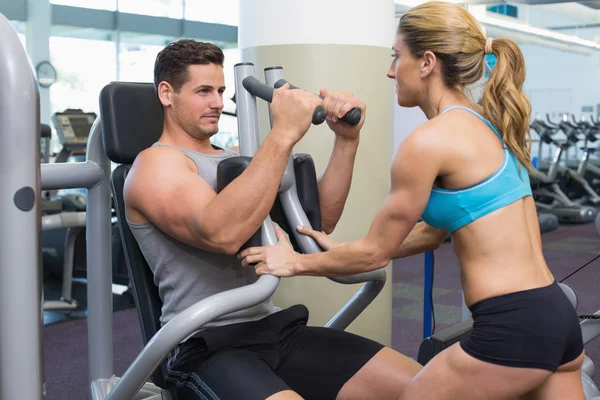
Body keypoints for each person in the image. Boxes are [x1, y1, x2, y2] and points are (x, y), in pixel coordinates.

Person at [239, 2, 586, 399]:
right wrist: (348, 248)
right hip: (554, 314)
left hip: (513, 327)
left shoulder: (428, 142)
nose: (390, 71)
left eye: (395, 57)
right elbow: (431, 234)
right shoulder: (487, 126)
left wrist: (295, 262)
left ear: (426, 63)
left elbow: (374, 256)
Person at [123, 39, 421, 400]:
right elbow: (222, 233)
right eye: (203, 91)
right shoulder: (155, 165)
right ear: (167, 93)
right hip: (207, 345)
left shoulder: (239, 158)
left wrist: (346, 141)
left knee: (425, 387)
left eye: (219, 91)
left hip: (276, 329)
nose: (217, 103)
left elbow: (317, 222)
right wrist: (282, 134)